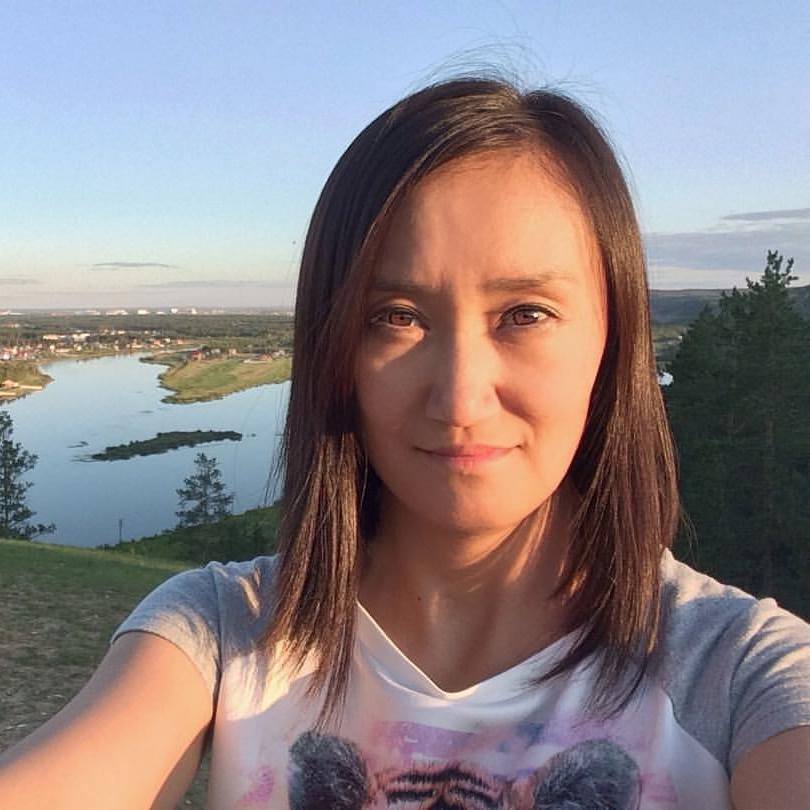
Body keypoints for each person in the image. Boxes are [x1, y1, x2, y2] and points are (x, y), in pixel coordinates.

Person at [1, 76, 808, 810]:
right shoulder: (222, 634)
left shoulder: (737, 675)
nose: (459, 397)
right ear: (336, 351)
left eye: (524, 314)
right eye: (396, 317)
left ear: (614, 341)